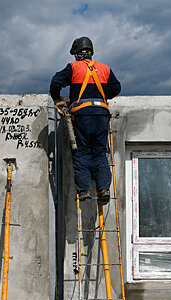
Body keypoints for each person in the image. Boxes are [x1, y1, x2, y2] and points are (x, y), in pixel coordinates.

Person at [49, 36, 121, 205]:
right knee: (99, 152)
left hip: (81, 115)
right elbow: (117, 87)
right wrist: (101, 97)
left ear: (76, 54)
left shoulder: (73, 67)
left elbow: (55, 82)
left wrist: (57, 99)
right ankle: (103, 188)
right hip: (102, 114)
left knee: (81, 152)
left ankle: (84, 190)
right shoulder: (105, 68)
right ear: (91, 53)